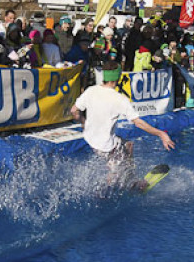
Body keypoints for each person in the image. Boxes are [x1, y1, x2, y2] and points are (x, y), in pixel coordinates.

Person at [70, 60, 175, 189]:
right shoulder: (119, 99)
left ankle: (122, 176)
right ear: (118, 77)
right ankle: (131, 184)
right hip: (106, 145)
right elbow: (138, 123)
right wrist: (161, 134)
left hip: (90, 139)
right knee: (118, 164)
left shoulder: (91, 90)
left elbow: (74, 110)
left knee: (127, 145)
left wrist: (84, 123)